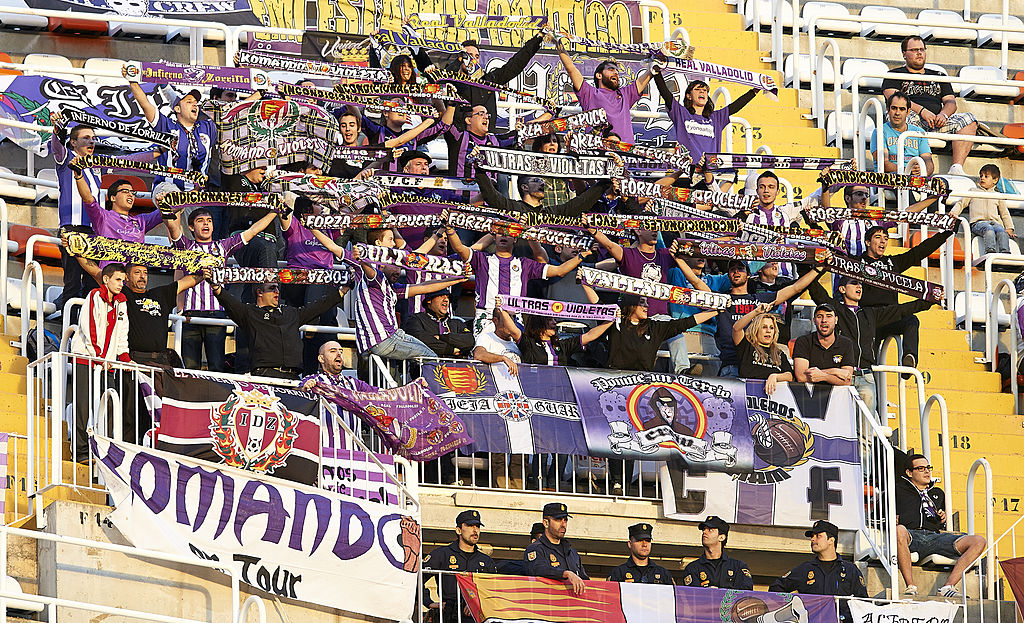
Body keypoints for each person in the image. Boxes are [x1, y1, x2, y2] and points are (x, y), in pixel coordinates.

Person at [313, 227, 465, 362]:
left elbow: (424, 285)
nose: (394, 244)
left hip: (394, 336)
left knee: (428, 356)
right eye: (391, 240)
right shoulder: (372, 269)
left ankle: (418, 388)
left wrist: (457, 279)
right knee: (430, 358)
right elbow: (333, 247)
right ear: (378, 243)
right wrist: (310, 227)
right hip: (382, 339)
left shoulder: (392, 286)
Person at [166, 207, 277, 372]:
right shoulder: (186, 246)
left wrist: (275, 211)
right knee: (190, 369)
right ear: (191, 227)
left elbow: (252, 231)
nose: (206, 224)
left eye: (209, 221)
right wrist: (168, 206)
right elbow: (173, 227)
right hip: (191, 314)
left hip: (216, 315)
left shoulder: (222, 246)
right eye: (200, 221)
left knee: (217, 367)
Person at [807, 275, 936, 412]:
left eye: (861, 284)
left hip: (866, 377)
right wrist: (813, 268)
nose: (859, 286)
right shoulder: (835, 311)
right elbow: (816, 290)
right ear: (842, 289)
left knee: (866, 430)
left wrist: (930, 300)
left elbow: (901, 310)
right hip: (838, 376)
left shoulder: (871, 314)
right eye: (854, 283)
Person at [677, 259, 822, 378]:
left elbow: (795, 288)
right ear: (728, 275)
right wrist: (678, 260)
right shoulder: (722, 299)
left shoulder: (759, 299)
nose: (736, 272)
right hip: (731, 365)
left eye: (740, 268)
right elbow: (697, 283)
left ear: (748, 274)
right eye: (732, 269)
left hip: (758, 366)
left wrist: (819, 269)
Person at [445, 220, 588, 334]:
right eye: (500, 233)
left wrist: (583, 255)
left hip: (515, 317)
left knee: (513, 359)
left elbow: (559, 271)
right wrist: (450, 230)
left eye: (508, 233)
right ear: (493, 237)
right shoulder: (481, 259)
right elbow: (460, 248)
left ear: (515, 239)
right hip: (486, 316)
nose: (504, 236)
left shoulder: (525, 264)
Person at [855, 224, 953, 369]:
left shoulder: (893, 263)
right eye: (878, 237)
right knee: (868, 366)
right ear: (867, 242)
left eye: (886, 238)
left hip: (890, 316)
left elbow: (920, 251)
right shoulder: (855, 263)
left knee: (911, 320)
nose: (883, 241)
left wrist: (947, 232)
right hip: (867, 318)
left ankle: (909, 360)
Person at [69, 263, 140, 461]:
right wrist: (98, 356)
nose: (121, 284)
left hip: (106, 363)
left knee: (108, 405)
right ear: (106, 279)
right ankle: (81, 451)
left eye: (123, 281)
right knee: (83, 406)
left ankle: (105, 451)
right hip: (86, 358)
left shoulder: (122, 302)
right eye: (118, 280)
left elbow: (122, 334)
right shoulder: (94, 296)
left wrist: (123, 356)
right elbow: (89, 328)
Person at [210, 280, 347, 380]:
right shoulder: (249, 313)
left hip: (293, 379)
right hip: (264, 378)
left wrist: (342, 290)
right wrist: (216, 287)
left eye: (277, 288)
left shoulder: (291, 313)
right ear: (260, 292)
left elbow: (319, 306)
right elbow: (228, 301)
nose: (277, 291)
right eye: (272, 288)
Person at [881, 36, 978, 175]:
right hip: (911, 118)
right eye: (914, 50)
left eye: (922, 49)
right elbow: (892, 97)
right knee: (904, 115)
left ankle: (956, 168)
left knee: (969, 119)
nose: (919, 53)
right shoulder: (894, 74)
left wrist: (943, 115)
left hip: (936, 122)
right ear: (904, 53)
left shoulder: (939, 75)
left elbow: (951, 102)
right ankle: (912, 169)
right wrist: (923, 111)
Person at [896, 454, 987, 598]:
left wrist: (942, 518)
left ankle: (947, 587)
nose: (927, 472)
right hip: (911, 536)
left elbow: (939, 522)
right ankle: (910, 586)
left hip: (935, 537)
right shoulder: (897, 490)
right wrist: (889, 519)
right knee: (899, 530)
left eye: (928, 468)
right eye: (921, 468)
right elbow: (878, 512)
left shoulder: (937, 493)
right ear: (909, 473)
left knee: (978, 541)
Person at [418, 35, 544, 129]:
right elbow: (425, 64)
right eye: (468, 55)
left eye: (476, 56)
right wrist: (410, 35)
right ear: (460, 57)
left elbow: (514, 65)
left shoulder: (487, 81)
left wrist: (538, 38)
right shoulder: (449, 80)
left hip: (486, 140)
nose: (472, 59)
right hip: (459, 140)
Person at [125, 81, 216, 190]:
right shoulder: (167, 126)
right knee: (172, 197)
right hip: (167, 188)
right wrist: (133, 81)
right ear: (177, 109)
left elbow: (226, 112)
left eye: (196, 102)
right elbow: (145, 104)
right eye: (189, 102)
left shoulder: (207, 127)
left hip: (196, 194)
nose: (195, 104)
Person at [51, 118, 99, 318]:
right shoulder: (66, 158)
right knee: (72, 282)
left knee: (91, 284)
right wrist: (57, 129)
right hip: (71, 229)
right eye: (86, 138)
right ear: (73, 142)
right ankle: (67, 334)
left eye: (94, 138)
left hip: (95, 232)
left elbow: (133, 160)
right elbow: (56, 146)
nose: (91, 142)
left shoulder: (97, 164)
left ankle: (86, 332)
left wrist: (158, 151)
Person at [771, 520, 868, 618]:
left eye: (818, 536)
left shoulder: (850, 570)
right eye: (812, 536)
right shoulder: (805, 569)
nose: (812, 539)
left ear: (831, 540)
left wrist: (844, 618)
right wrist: (794, 610)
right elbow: (776, 588)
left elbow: (863, 603)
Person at [654, 73, 758, 164]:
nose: (702, 92)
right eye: (698, 90)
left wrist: (755, 91)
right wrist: (656, 73)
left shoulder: (716, 118)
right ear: (689, 96)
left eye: (705, 90)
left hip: (710, 171)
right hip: (688, 169)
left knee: (731, 174)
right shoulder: (681, 113)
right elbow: (665, 94)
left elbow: (735, 106)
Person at [112, 264, 200, 368]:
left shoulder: (160, 294)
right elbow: (101, 275)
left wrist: (204, 272)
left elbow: (186, 282)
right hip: (136, 359)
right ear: (126, 277)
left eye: (145, 273)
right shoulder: (124, 294)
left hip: (161, 359)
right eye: (137, 272)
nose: (142, 276)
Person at [556, 45, 651, 142]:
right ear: (599, 75)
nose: (616, 73)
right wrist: (557, 42)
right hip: (598, 151)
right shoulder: (589, 93)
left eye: (617, 71)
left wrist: (655, 63)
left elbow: (646, 77)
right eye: (611, 69)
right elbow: (571, 69)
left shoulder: (625, 94)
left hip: (625, 152)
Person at [422, 510, 497, 622]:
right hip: (449, 615)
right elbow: (416, 579)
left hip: (476, 617)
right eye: (470, 526)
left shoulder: (486, 561)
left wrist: (478, 602)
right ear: (458, 530)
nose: (475, 530)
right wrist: (429, 602)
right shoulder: (442, 555)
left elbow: (494, 590)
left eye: (477, 526)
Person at [70, 172, 164, 257]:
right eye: (125, 192)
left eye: (132, 192)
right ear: (113, 198)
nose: (130, 195)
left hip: (135, 272)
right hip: (111, 272)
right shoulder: (103, 217)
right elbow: (88, 199)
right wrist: (79, 177)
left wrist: (165, 201)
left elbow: (166, 211)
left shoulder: (141, 221)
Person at [473, 165, 609, 218]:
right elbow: (491, 197)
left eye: (542, 181)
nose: (542, 183)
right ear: (524, 187)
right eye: (536, 181)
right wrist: (479, 166)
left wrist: (607, 180)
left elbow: (581, 203)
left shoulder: (552, 213)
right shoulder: (513, 208)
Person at [743, 172, 800, 279]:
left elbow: (814, 199)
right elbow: (718, 200)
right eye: (762, 187)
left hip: (784, 277)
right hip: (755, 278)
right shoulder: (748, 216)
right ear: (757, 191)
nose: (766, 190)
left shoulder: (786, 212)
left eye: (771, 187)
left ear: (778, 191)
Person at [524, 502, 589, 594]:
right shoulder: (536, 549)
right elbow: (537, 570)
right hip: (547, 605)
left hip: (572, 605)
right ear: (546, 523)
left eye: (565, 520)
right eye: (558, 520)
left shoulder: (572, 553)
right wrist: (565, 574)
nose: (563, 524)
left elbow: (586, 580)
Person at [951, 163, 1015, 255]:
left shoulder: (997, 195)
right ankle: (990, 251)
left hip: (995, 223)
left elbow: (1004, 213)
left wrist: (1009, 228)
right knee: (988, 230)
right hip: (978, 223)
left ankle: (1005, 253)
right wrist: (954, 212)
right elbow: (961, 203)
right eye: (981, 176)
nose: (982, 178)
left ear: (995, 180)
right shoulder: (973, 191)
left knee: (1002, 232)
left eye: (986, 176)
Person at [731, 302, 794, 395]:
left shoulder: (779, 353)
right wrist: (756, 312)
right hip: (747, 395)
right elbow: (736, 328)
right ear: (756, 329)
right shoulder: (746, 346)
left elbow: (789, 376)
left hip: (772, 399)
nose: (768, 330)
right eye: (764, 327)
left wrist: (775, 377)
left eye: (771, 328)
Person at [511, 313, 612, 367]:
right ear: (539, 323)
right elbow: (512, 329)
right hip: (535, 388)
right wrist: (501, 308)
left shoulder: (562, 345)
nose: (554, 323)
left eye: (555, 320)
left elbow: (590, 335)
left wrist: (611, 319)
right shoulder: (528, 343)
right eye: (550, 320)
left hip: (559, 390)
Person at [870, 91, 934, 177]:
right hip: (890, 180)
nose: (897, 113)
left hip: (915, 180)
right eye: (894, 108)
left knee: (943, 184)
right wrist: (908, 171)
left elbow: (928, 162)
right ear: (888, 109)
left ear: (908, 112)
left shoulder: (918, 132)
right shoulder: (879, 132)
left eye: (902, 109)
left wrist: (923, 171)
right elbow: (884, 164)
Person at [681, 516, 754, 589]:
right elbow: (691, 595)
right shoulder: (693, 568)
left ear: (721, 537)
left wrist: (719, 593)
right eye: (704, 529)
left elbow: (746, 594)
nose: (704, 532)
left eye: (710, 530)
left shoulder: (737, 567)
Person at [793, 302, 856, 386]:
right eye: (819, 316)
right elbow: (801, 377)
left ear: (836, 320)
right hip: (809, 395)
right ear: (814, 320)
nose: (824, 320)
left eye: (829, 316)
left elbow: (847, 380)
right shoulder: (803, 341)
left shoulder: (846, 343)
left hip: (837, 395)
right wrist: (834, 371)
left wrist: (822, 375)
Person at [402, 289, 475, 358]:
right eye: (441, 296)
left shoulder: (457, 323)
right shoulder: (416, 319)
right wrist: (451, 350)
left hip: (455, 370)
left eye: (447, 297)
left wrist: (442, 337)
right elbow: (420, 340)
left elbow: (469, 341)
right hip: (425, 369)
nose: (446, 300)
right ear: (429, 300)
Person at [607, 523, 674, 584]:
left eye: (648, 541)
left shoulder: (663, 574)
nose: (644, 544)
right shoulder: (618, 573)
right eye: (639, 541)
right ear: (630, 544)